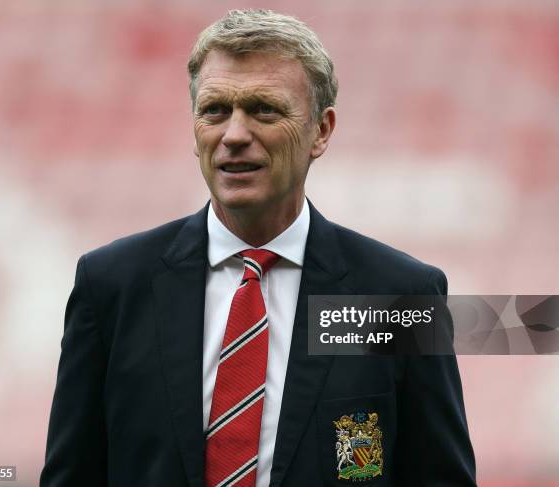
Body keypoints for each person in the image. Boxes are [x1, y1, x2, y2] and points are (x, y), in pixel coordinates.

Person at [40, 9, 476, 487]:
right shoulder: (112, 286)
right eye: (215, 111)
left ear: (322, 130)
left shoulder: (398, 295)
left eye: (264, 109)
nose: (234, 135)